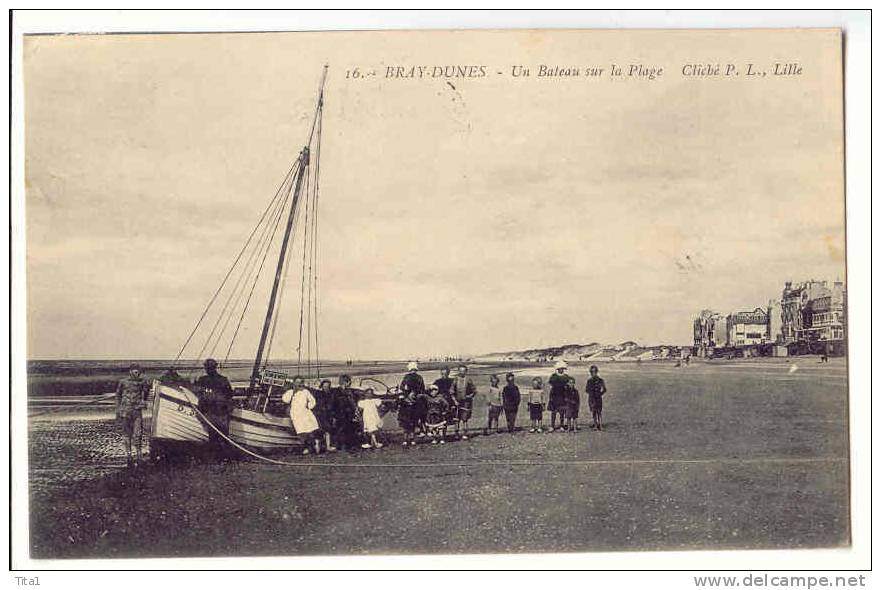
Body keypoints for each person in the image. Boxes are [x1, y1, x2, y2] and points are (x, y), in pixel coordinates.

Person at [194, 358, 234, 452]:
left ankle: (222, 456)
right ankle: (225, 456)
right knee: (221, 436)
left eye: (208, 368)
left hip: (214, 414)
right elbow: (229, 395)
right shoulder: (222, 380)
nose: (207, 370)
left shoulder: (204, 380)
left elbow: (199, 394)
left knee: (215, 437)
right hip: (219, 414)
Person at [116, 363, 150, 466]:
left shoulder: (143, 382)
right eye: (135, 371)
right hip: (125, 411)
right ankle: (129, 456)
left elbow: (146, 393)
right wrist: (118, 410)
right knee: (127, 435)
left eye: (138, 371)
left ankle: (139, 456)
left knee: (138, 434)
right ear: (130, 371)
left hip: (137, 411)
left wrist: (143, 402)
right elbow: (118, 395)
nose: (137, 373)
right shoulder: (123, 382)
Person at [283, 376, 321, 455]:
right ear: (294, 383)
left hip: (305, 413)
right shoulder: (290, 392)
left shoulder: (305, 391)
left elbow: (312, 401)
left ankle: (314, 444)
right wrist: (293, 392)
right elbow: (285, 400)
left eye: (300, 382)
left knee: (309, 430)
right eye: (297, 382)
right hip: (295, 414)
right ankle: (307, 447)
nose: (298, 384)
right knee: (301, 432)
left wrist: (309, 406)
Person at [331, 374, 361, 451]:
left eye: (349, 382)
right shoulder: (336, 392)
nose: (349, 384)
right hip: (340, 414)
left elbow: (354, 402)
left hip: (350, 414)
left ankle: (350, 445)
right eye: (348, 382)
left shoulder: (351, 392)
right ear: (343, 382)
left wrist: (356, 411)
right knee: (341, 430)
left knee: (350, 429)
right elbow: (333, 404)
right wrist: (334, 415)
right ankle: (341, 445)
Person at [401, 362, 427, 437]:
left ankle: (417, 430)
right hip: (413, 398)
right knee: (415, 415)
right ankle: (419, 430)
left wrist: (410, 395)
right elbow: (422, 388)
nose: (413, 371)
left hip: (413, 398)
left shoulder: (409, 377)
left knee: (415, 415)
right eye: (412, 370)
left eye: (413, 370)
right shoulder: (416, 377)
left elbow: (403, 388)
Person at [452, 365, 477, 439]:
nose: (462, 372)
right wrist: (454, 400)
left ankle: (465, 434)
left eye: (463, 371)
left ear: (466, 371)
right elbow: (451, 391)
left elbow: (474, 391)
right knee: (456, 419)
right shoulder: (455, 379)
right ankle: (456, 434)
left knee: (465, 419)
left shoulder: (468, 380)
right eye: (460, 371)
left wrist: (469, 396)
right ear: (458, 371)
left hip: (466, 402)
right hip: (457, 402)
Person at [313, 379, 337, 452]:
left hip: (328, 415)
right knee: (319, 430)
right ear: (322, 387)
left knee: (328, 430)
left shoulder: (331, 395)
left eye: (327, 386)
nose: (326, 388)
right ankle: (317, 446)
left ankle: (328, 446)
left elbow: (332, 406)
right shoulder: (318, 394)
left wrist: (333, 415)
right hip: (319, 414)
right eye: (324, 386)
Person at [548, 360, 569, 431]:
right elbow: (550, 384)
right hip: (555, 395)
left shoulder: (566, 377)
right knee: (553, 412)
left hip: (562, 396)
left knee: (562, 412)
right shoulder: (553, 376)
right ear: (558, 369)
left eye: (562, 368)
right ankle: (552, 425)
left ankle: (562, 425)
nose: (561, 370)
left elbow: (567, 387)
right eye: (560, 369)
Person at [585, 365, 608, 431]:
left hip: (598, 398)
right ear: (590, 373)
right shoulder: (589, 381)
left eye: (594, 372)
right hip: (592, 398)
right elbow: (586, 390)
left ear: (597, 372)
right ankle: (595, 425)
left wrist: (600, 394)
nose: (593, 373)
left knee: (599, 412)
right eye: (592, 372)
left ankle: (600, 425)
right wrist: (591, 393)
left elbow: (604, 389)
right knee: (594, 412)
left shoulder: (600, 380)